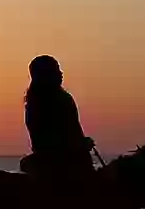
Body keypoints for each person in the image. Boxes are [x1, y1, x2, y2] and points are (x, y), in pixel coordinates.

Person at [20, 55, 94, 184]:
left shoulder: (33, 102)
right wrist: (83, 145)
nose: (61, 73)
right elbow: (58, 139)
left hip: (48, 162)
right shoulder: (58, 100)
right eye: (56, 69)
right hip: (65, 164)